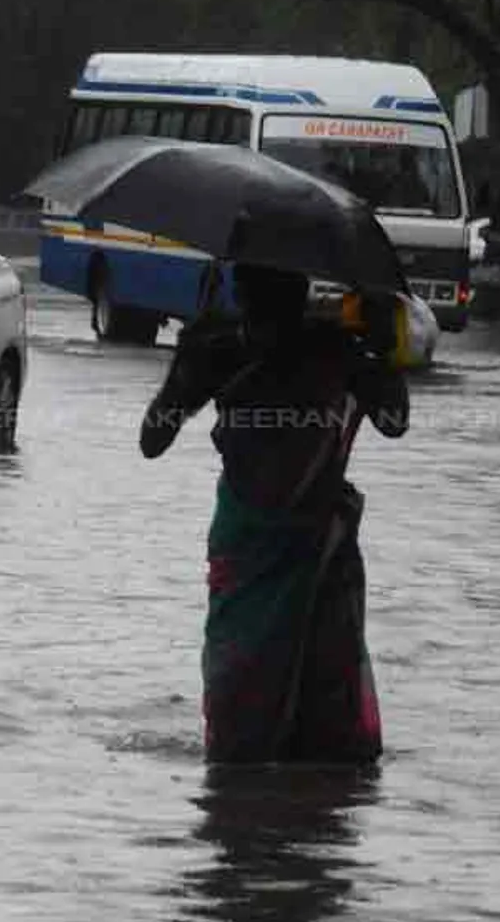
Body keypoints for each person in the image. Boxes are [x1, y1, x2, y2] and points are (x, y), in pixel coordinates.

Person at [140, 263, 409, 764]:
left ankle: (269, 809)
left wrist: (378, 350)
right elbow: (153, 440)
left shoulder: (334, 351)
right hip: (253, 555)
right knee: (256, 725)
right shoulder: (224, 353)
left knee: (316, 723)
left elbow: (393, 421)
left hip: (312, 557)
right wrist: (185, 368)